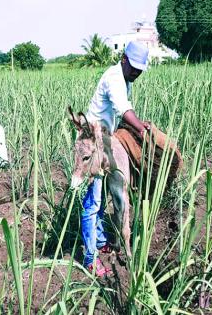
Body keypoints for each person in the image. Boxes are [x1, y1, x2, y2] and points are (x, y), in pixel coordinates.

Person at [81, 41, 150, 277]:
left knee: (101, 198)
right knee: (92, 203)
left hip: (105, 136)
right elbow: (123, 109)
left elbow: (122, 111)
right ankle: (90, 259)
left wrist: (139, 124)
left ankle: (100, 242)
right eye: (134, 68)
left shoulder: (126, 80)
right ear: (124, 59)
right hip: (92, 140)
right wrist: (140, 127)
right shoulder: (114, 78)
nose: (136, 73)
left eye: (140, 70)